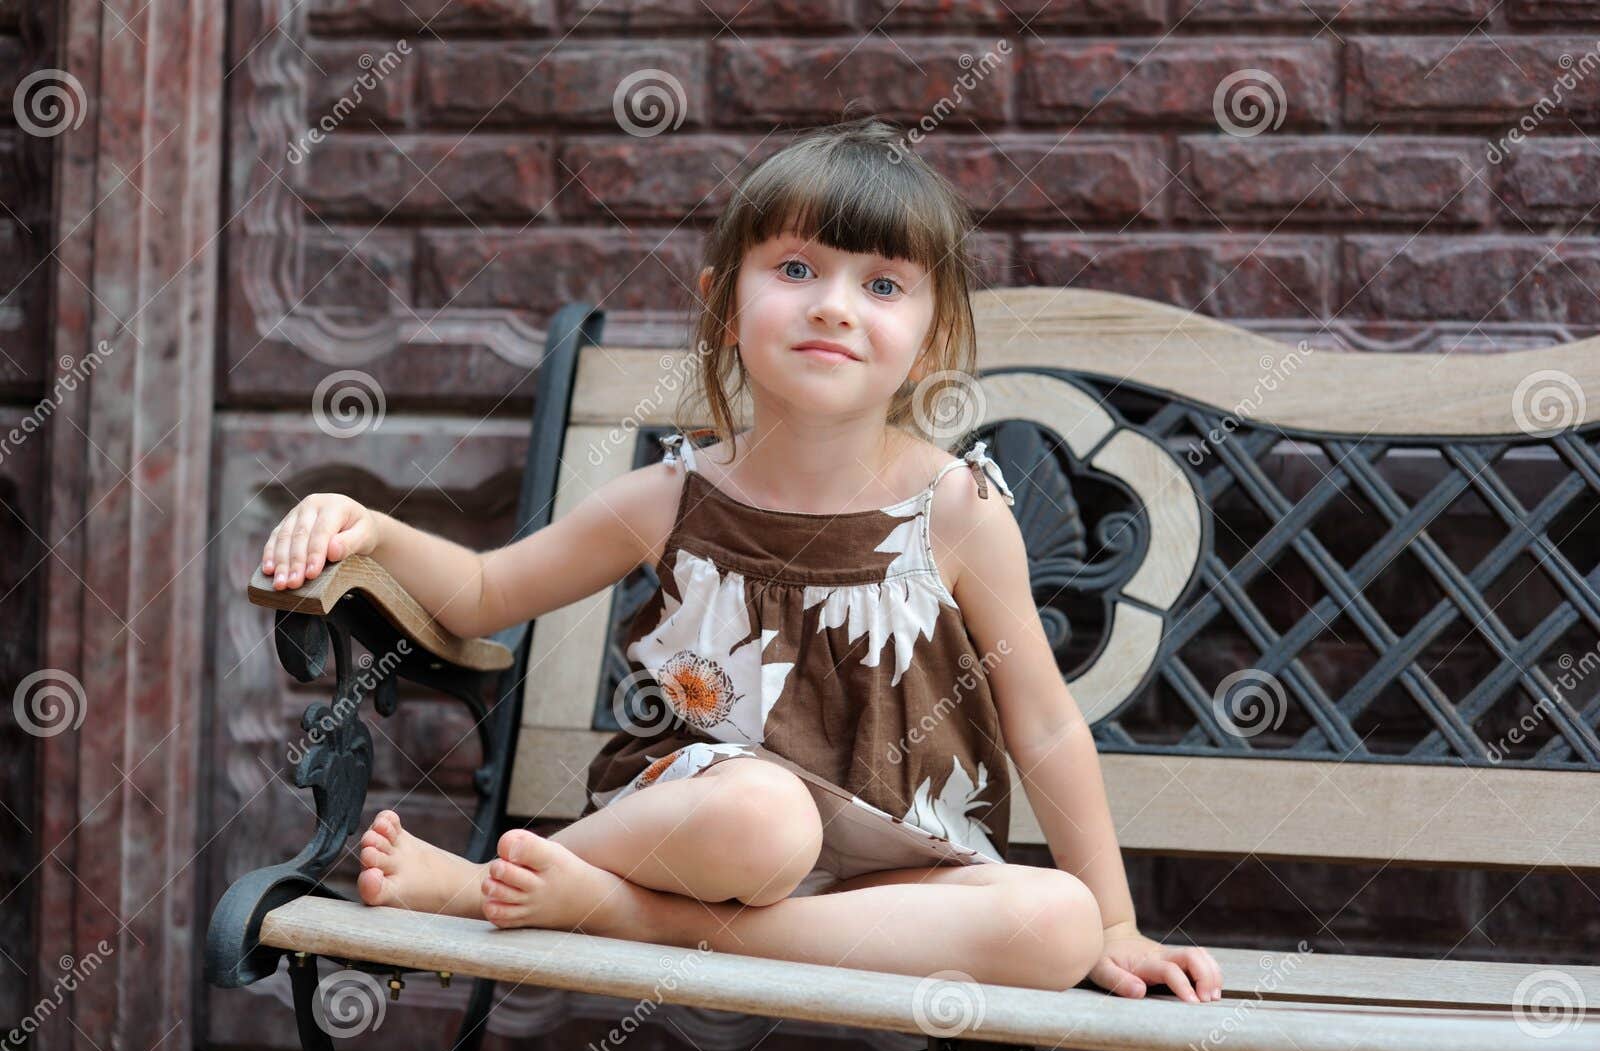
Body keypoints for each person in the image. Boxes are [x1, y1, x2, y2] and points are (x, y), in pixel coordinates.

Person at [258, 117, 1221, 1002]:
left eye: (882, 285)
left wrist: (1119, 919)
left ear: (930, 341)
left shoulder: (956, 510)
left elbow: (1045, 727)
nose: (836, 308)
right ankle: (499, 882)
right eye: (797, 269)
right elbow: (481, 592)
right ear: (725, 305)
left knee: (1056, 924)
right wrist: (370, 528)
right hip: (711, 829)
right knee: (771, 817)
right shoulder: (673, 499)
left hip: (901, 874)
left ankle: (628, 918)